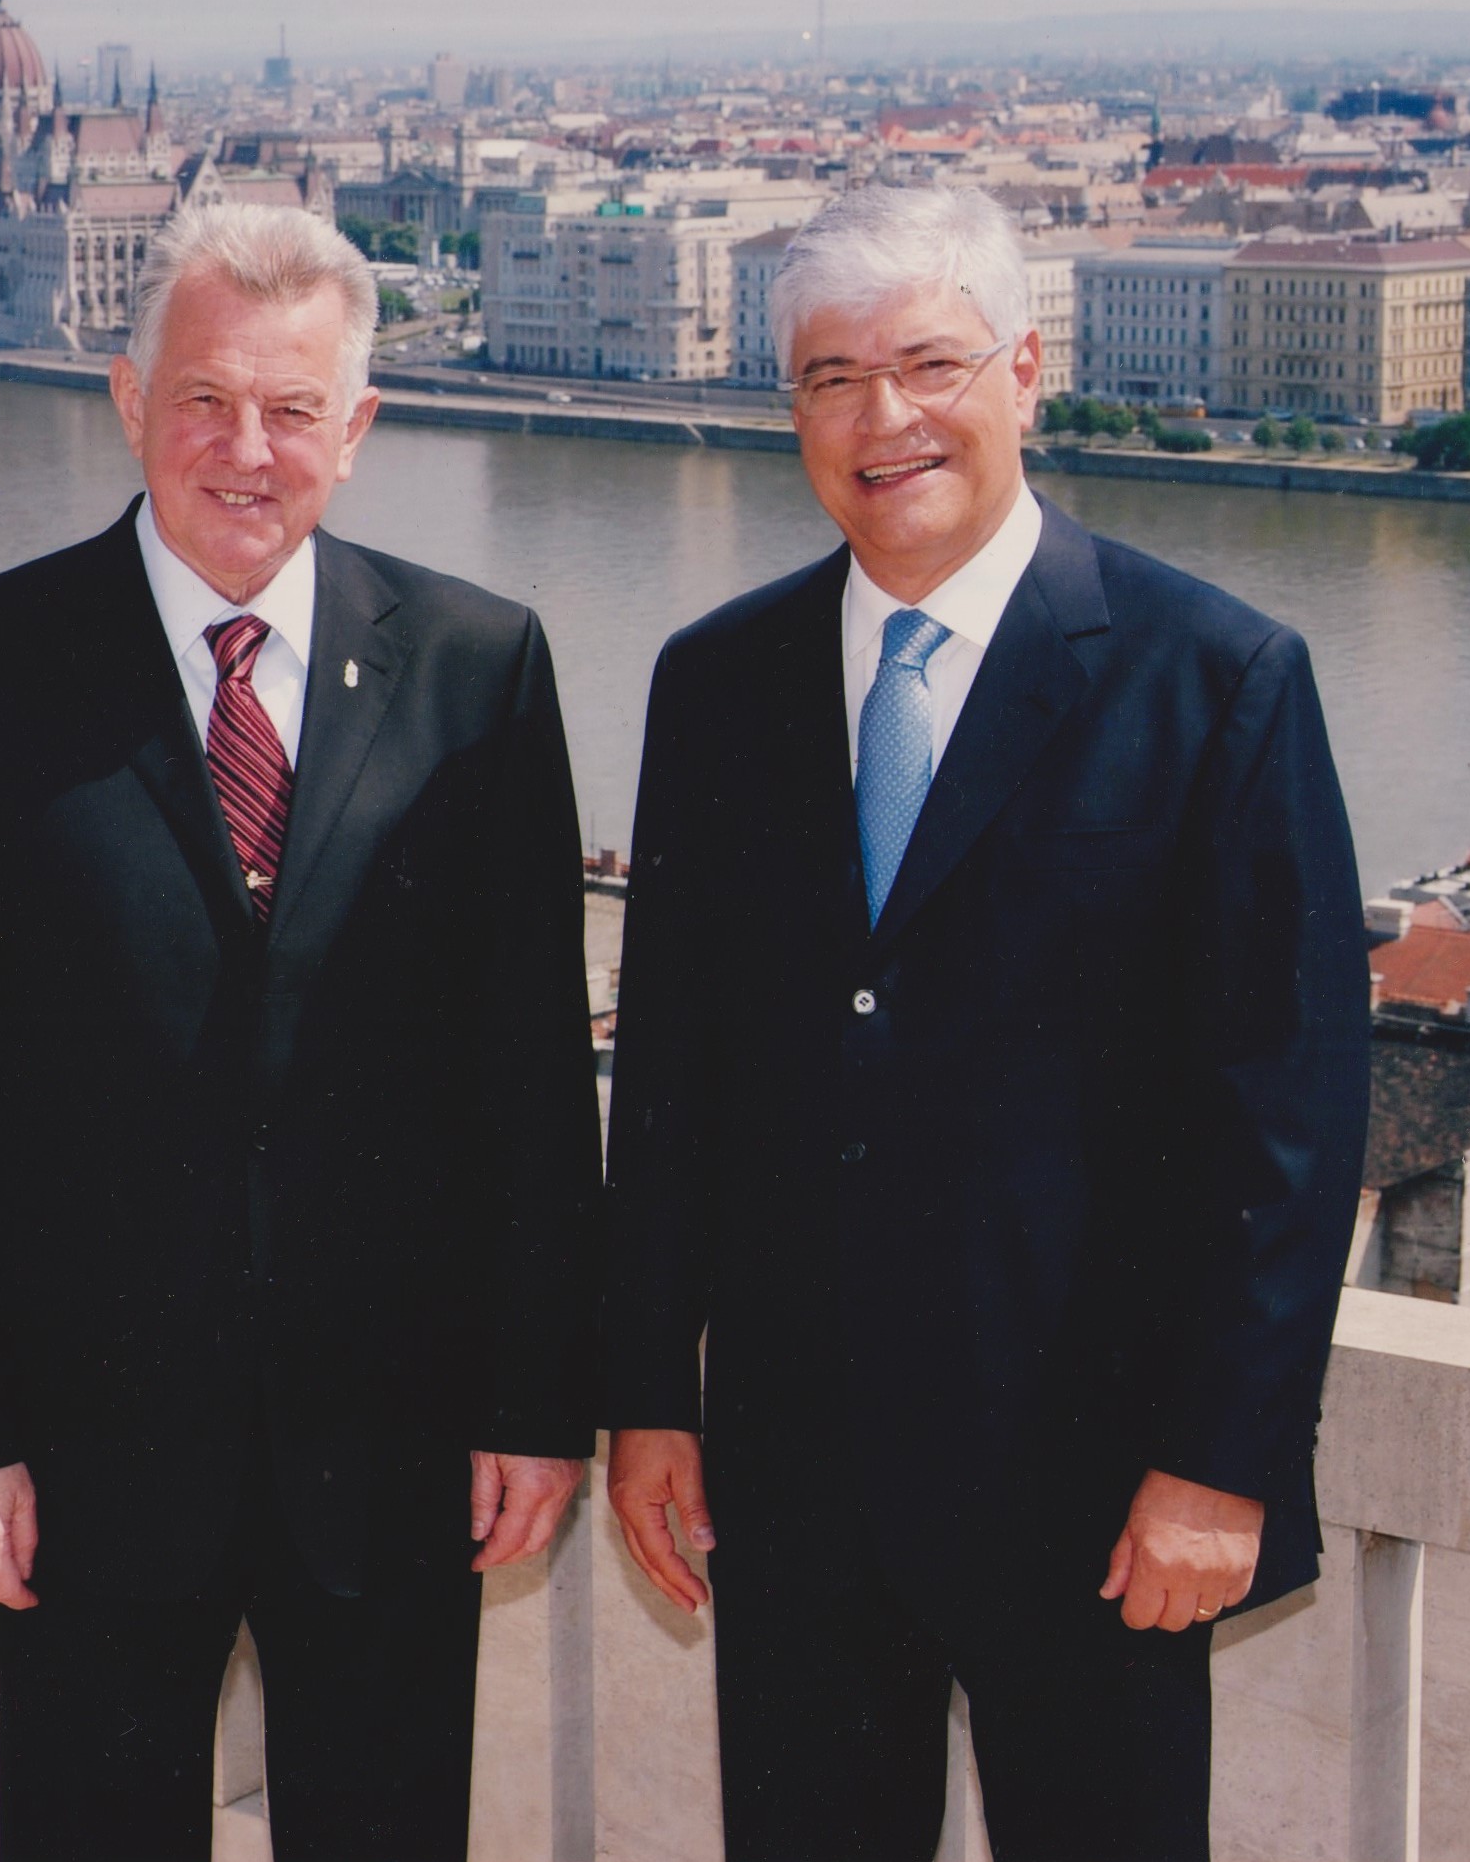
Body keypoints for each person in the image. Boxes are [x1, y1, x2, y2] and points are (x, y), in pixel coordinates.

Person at [601, 186, 1369, 1862]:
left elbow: (1289, 1114)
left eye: (928, 363)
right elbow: (668, 1076)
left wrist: (1218, 1466)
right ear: (786, 410)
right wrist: (648, 1392)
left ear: (1025, 370)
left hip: (1096, 1493)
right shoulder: (714, 682)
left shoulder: (1211, 676)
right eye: (828, 377)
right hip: (796, 1491)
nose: (884, 420)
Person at [0, 202, 605, 1862]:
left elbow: (531, 1077)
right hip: (80, 1453)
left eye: (290, 409)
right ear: (125, 401)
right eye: (203, 400)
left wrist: (538, 1402)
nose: (244, 450)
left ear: (360, 427)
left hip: (396, 1450)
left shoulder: (480, 665)